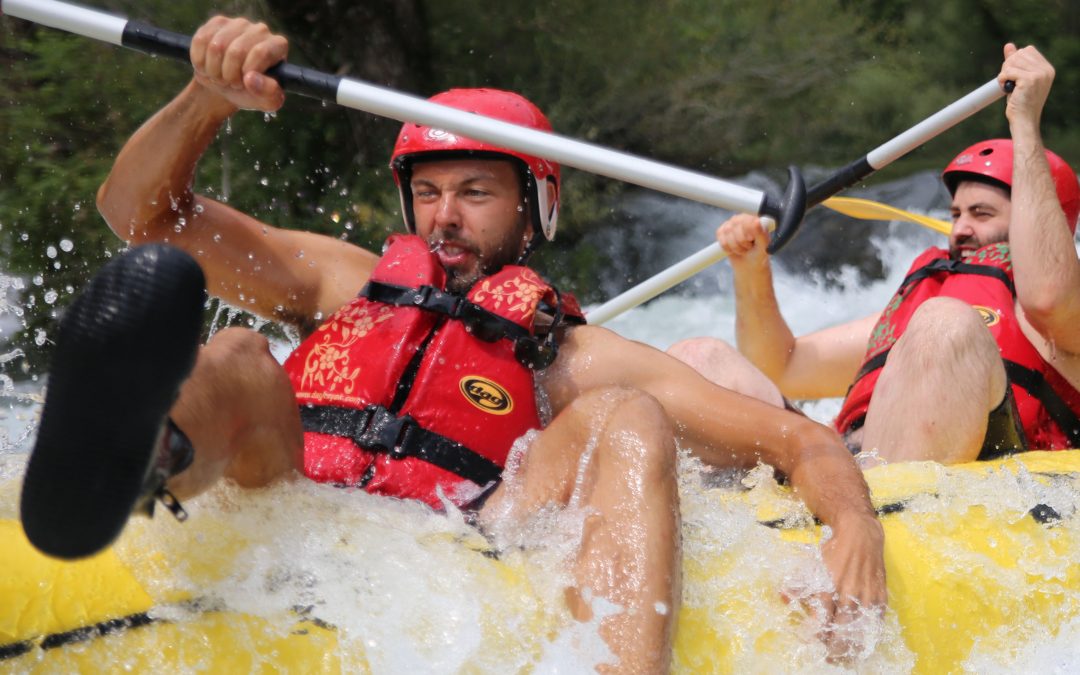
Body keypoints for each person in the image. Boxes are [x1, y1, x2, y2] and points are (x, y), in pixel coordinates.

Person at [19, 16, 886, 671]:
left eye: (475, 191)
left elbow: (797, 438)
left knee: (629, 415)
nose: (444, 216)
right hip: (288, 486)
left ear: (533, 209)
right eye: (428, 191)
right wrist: (208, 95)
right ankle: (132, 459)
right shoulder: (342, 283)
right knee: (245, 354)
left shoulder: (570, 353)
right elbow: (140, 217)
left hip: (456, 528)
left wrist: (853, 523)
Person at [669, 44, 1080, 466]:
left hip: (981, 479)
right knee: (698, 359)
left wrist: (1025, 124)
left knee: (943, 323)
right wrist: (751, 268)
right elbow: (783, 367)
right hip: (849, 468)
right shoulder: (917, 309)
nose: (961, 228)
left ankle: (891, 507)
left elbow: (1048, 294)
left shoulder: (1059, 323)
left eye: (982, 213)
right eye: (955, 213)